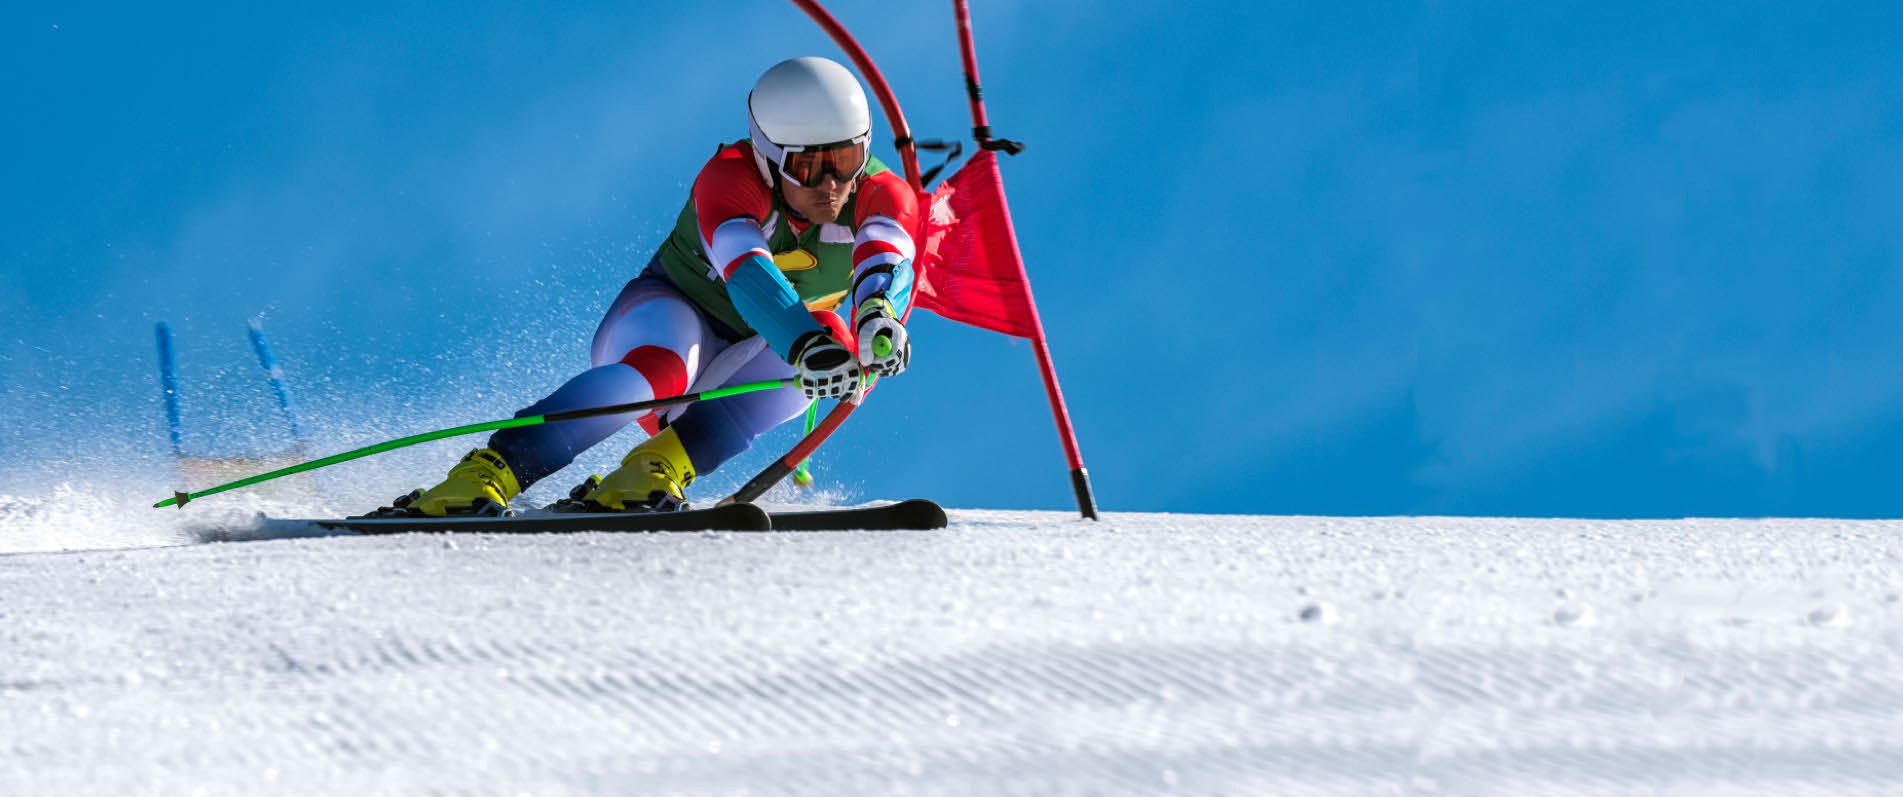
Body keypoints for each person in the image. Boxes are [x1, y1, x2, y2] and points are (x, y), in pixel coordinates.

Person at [383, 56, 916, 516]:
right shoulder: (730, 178)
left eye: (844, 161)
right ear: (769, 155)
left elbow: (887, 257)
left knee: (840, 344)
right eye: (808, 165)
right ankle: (490, 471)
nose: (830, 185)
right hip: (666, 318)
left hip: (748, 355)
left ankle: (655, 468)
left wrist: (878, 318)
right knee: (667, 368)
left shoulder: (880, 192)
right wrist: (805, 345)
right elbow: (749, 274)